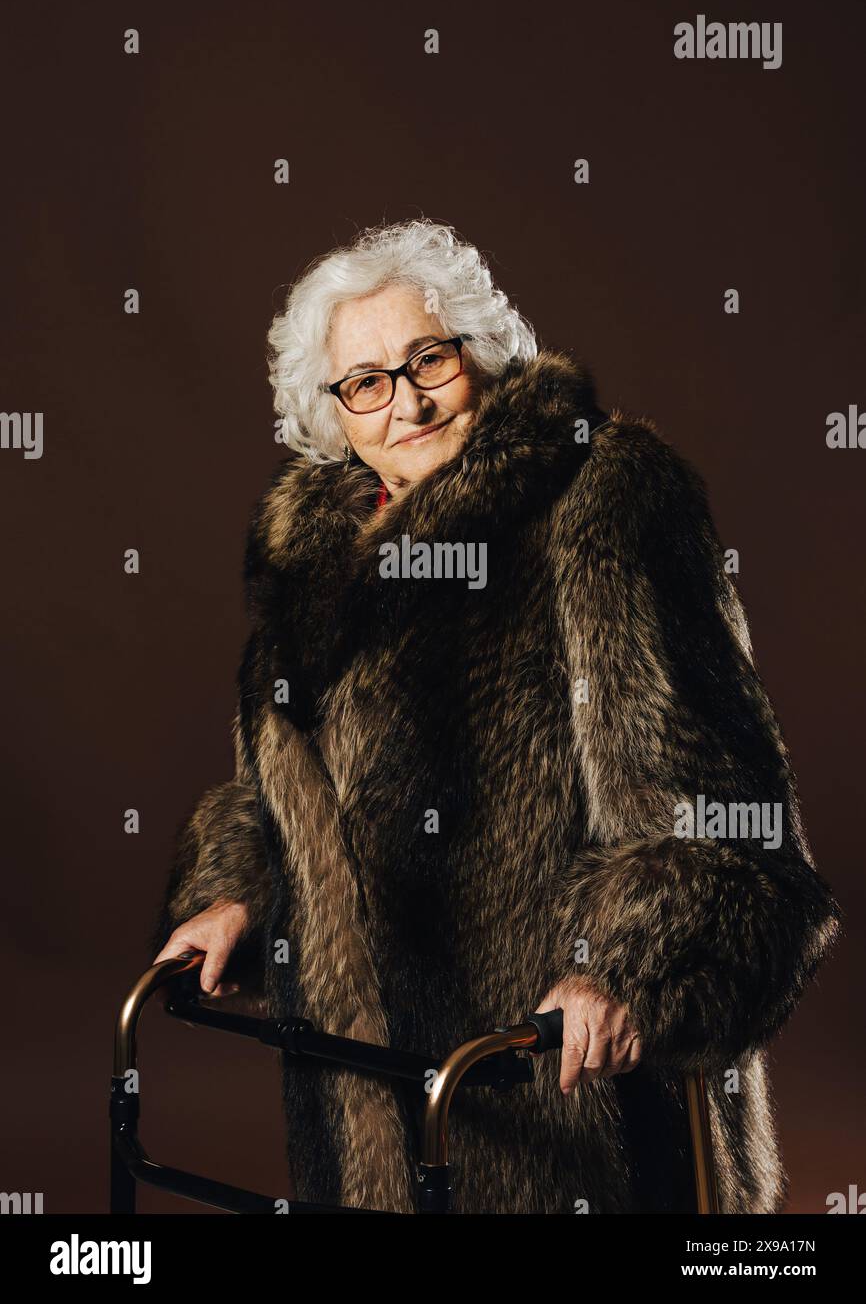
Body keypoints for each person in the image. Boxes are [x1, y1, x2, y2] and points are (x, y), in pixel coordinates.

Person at [151, 218, 841, 1213]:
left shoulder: (598, 499)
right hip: (371, 1097)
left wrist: (623, 967)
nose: (407, 400)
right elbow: (283, 795)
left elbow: (726, 817)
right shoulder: (314, 559)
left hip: (562, 1089)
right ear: (332, 409)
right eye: (366, 382)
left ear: (477, 348)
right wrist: (234, 891)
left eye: (428, 357)